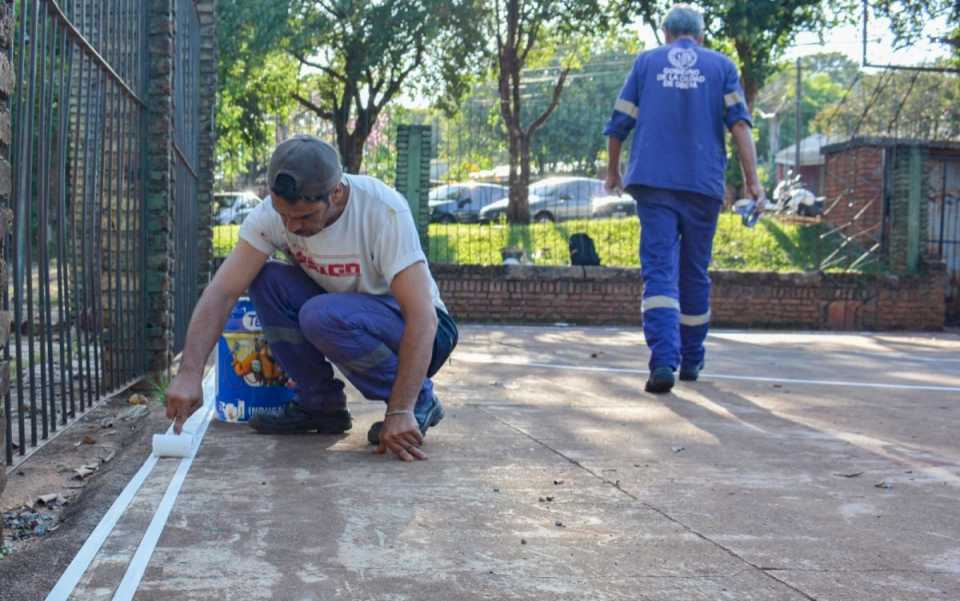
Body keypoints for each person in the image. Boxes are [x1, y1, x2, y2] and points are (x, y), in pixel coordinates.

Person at [165, 135, 458, 461]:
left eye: (304, 217)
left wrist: (401, 407)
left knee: (321, 315)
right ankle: (320, 407)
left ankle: (420, 401)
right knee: (266, 279)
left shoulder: (382, 211)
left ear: (336, 192)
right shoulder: (271, 217)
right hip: (341, 311)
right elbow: (222, 292)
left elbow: (423, 317)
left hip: (423, 331)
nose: (291, 226)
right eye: (283, 215)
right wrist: (189, 373)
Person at [603, 4, 764, 394]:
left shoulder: (647, 63)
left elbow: (618, 123)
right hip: (703, 184)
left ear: (666, 33)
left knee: (659, 271)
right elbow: (740, 125)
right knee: (694, 271)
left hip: (654, 184)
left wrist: (613, 171)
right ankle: (691, 359)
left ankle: (663, 361)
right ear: (701, 35)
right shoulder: (721, 67)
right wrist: (752, 182)